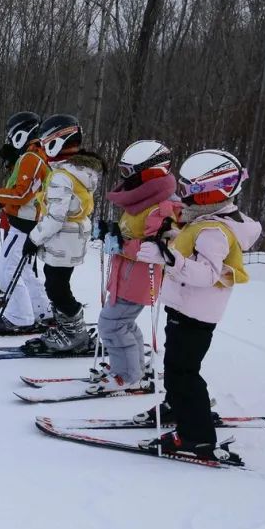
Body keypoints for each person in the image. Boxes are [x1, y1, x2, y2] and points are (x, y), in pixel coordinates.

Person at [134, 149, 261, 462]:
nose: (184, 196)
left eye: (190, 190)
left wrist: (169, 257)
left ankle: (197, 437)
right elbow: (193, 246)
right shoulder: (211, 222)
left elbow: (206, 274)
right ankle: (179, 408)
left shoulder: (213, 231)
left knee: (183, 373)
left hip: (194, 313)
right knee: (176, 368)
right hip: (185, 309)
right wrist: (171, 237)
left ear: (209, 192)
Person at [90, 140, 179, 394]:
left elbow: (156, 248)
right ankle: (135, 368)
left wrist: (120, 244)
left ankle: (128, 374)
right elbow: (132, 233)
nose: (125, 180)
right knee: (123, 325)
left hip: (140, 281)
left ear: (149, 174)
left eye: (129, 173)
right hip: (124, 278)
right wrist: (113, 232)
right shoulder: (140, 202)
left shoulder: (160, 207)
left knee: (111, 325)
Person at [21, 115, 104, 353]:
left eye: (46, 142)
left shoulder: (61, 176)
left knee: (56, 287)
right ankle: (68, 329)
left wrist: (33, 238)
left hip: (63, 239)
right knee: (56, 283)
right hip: (69, 239)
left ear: (57, 141)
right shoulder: (77, 171)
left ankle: (74, 333)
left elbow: (55, 217)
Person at [0, 112, 51, 332]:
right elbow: (23, 192)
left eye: (12, 133)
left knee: (6, 270)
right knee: (23, 269)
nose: (9, 138)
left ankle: (20, 317)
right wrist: (1, 198)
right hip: (27, 220)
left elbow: (22, 194)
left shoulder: (32, 157)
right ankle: (41, 311)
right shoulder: (32, 155)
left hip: (25, 223)